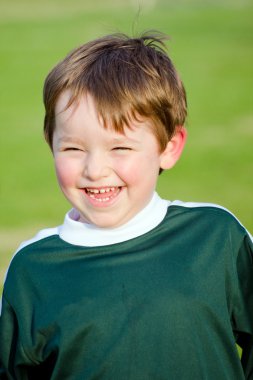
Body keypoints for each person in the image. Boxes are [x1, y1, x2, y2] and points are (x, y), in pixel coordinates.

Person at [0, 31, 252, 380]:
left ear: (169, 147)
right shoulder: (34, 268)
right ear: (51, 144)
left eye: (119, 148)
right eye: (73, 148)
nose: (95, 170)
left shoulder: (215, 237)